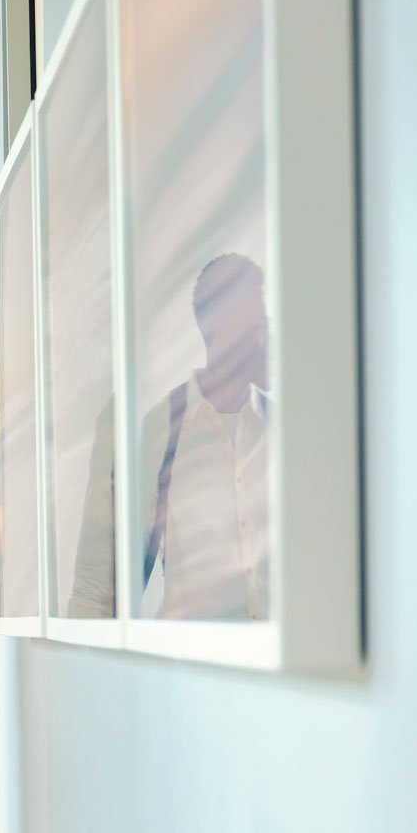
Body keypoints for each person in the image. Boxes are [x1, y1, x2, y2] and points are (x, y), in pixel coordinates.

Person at [138, 252, 272, 622]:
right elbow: (112, 583)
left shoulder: (285, 428)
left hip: (281, 670)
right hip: (190, 668)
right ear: (214, 328)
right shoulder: (163, 427)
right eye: (254, 320)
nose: (264, 332)